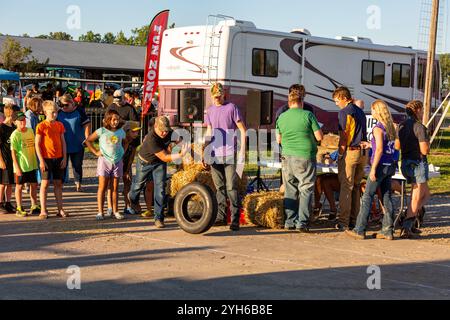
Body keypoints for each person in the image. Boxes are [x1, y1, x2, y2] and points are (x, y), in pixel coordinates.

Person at [345, 100, 397, 240]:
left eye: (373, 109)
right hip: (390, 164)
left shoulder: (378, 128)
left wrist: (373, 169)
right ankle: (388, 230)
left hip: (380, 165)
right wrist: (370, 144)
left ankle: (359, 229)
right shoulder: (392, 126)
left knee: (367, 196)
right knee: (386, 196)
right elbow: (387, 146)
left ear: (377, 111)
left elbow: (380, 149)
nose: (371, 112)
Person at [277, 86, 323, 232]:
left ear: (289, 101)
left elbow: (278, 139)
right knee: (306, 189)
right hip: (304, 156)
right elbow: (319, 136)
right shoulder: (308, 115)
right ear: (301, 101)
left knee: (290, 189)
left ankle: (289, 221)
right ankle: (302, 222)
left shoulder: (281, 117)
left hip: (286, 156)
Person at [128, 116, 188, 229]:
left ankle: (159, 218)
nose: (164, 133)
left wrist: (185, 146)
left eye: (166, 130)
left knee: (160, 189)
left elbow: (181, 141)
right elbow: (165, 157)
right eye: (162, 130)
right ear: (155, 127)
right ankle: (132, 198)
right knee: (137, 186)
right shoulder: (151, 138)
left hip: (159, 164)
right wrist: (180, 155)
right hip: (145, 162)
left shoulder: (169, 132)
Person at [204, 83, 247, 231]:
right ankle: (221, 217)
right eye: (215, 97)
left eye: (219, 96)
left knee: (231, 187)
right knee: (219, 187)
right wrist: (205, 149)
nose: (217, 99)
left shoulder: (231, 108)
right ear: (211, 96)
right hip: (214, 153)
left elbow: (242, 129)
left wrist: (242, 150)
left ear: (224, 94)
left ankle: (235, 219)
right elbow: (209, 131)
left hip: (229, 152)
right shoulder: (209, 111)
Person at [333, 87, 368, 231]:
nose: (336, 104)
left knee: (346, 187)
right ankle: (355, 220)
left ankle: (343, 221)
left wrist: (340, 154)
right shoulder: (359, 110)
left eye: (336, 100)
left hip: (351, 152)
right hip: (363, 153)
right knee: (356, 187)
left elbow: (344, 137)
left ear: (343, 97)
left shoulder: (344, 112)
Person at [396, 100, 431, 239]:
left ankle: (411, 213)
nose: (422, 113)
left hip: (405, 161)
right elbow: (424, 149)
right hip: (418, 162)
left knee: (426, 194)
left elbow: (397, 146)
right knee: (416, 196)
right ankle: (407, 224)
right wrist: (427, 144)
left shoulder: (402, 125)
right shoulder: (420, 127)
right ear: (417, 110)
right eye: (421, 110)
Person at [85, 110, 127, 221]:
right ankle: (100, 211)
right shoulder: (101, 131)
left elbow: (126, 142)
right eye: (113, 119)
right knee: (102, 187)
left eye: (117, 119)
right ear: (108, 120)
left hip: (117, 161)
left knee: (115, 188)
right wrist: (95, 152)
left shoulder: (121, 131)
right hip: (104, 161)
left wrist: (123, 151)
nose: (115, 122)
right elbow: (88, 140)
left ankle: (115, 211)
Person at [35, 101, 68, 219]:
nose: (54, 114)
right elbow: (37, 144)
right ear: (45, 112)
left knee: (58, 184)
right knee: (44, 184)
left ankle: (60, 209)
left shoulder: (60, 125)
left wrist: (64, 157)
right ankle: (43, 210)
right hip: (46, 159)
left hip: (58, 158)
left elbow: (63, 142)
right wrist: (41, 160)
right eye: (52, 112)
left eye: (56, 112)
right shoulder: (41, 126)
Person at [57, 94, 91, 192]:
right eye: (62, 105)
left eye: (66, 105)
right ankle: (61, 185)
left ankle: (78, 184)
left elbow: (87, 124)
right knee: (62, 166)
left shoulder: (79, 111)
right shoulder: (59, 112)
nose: (64, 107)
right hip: (62, 145)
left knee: (77, 165)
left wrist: (87, 138)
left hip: (77, 144)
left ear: (72, 103)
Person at [10, 112, 39, 217]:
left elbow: (36, 146)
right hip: (21, 166)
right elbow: (13, 152)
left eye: (24, 119)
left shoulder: (31, 131)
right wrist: (17, 167)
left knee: (34, 185)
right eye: (20, 120)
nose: (23, 122)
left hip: (32, 164)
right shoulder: (15, 135)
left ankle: (34, 205)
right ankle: (19, 207)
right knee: (19, 187)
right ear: (15, 122)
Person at [0, 104, 18, 214]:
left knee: (10, 183)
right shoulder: (1, 128)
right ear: (11, 113)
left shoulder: (14, 128)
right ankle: (0, 202)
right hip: (4, 159)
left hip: (12, 160)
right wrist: (0, 161)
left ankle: (8, 202)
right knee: (2, 183)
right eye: (16, 113)